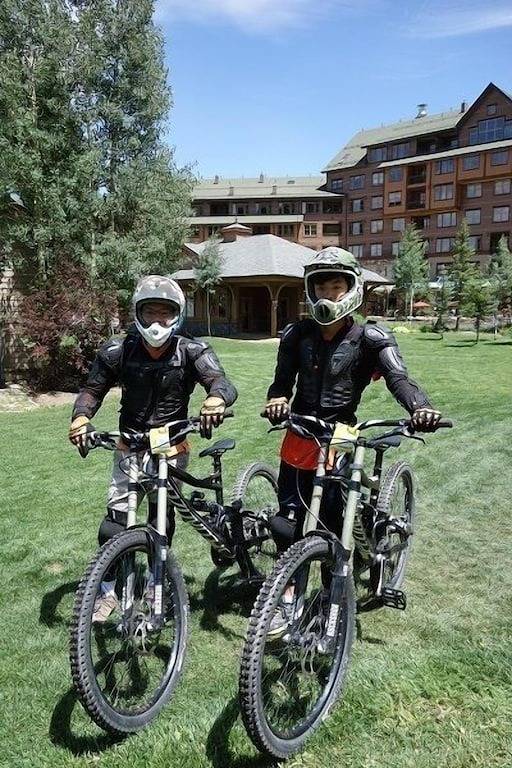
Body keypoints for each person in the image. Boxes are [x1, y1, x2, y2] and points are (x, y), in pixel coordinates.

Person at [263, 247, 441, 634]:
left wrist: (420, 407)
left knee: (332, 521)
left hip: (342, 436)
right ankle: (288, 595)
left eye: (337, 287)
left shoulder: (372, 337)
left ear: (353, 289)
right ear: (310, 291)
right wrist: (277, 400)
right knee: (285, 521)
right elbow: (281, 383)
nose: (329, 295)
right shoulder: (296, 335)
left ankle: (331, 594)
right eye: (321, 287)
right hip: (300, 432)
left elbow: (399, 378)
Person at [69, 275, 237, 622]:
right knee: (114, 523)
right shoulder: (118, 349)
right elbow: (92, 390)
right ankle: (108, 590)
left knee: (161, 517)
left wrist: (216, 399)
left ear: (177, 314)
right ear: (138, 314)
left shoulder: (192, 349)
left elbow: (220, 381)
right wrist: (80, 418)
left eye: (165, 313)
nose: (157, 322)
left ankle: (155, 584)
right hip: (128, 445)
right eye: (150, 313)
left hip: (172, 446)